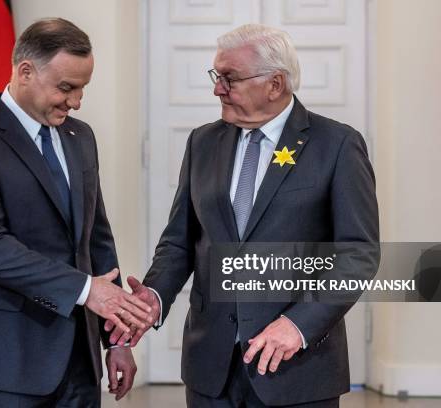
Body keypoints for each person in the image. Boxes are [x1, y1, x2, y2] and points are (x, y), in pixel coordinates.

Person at [106, 24, 379, 407]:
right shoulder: (203, 142)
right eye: (217, 76)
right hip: (210, 368)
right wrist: (154, 295)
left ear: (275, 84)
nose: (218, 88)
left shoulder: (336, 145)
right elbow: (180, 241)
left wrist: (299, 325)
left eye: (229, 78)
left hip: (297, 367)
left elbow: (358, 253)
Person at [0, 18, 152, 407]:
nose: (75, 102)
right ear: (25, 72)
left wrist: (117, 338)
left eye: (82, 89)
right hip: (8, 359)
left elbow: (97, 239)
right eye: (66, 88)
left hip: (80, 360)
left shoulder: (81, 136)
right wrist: (88, 291)